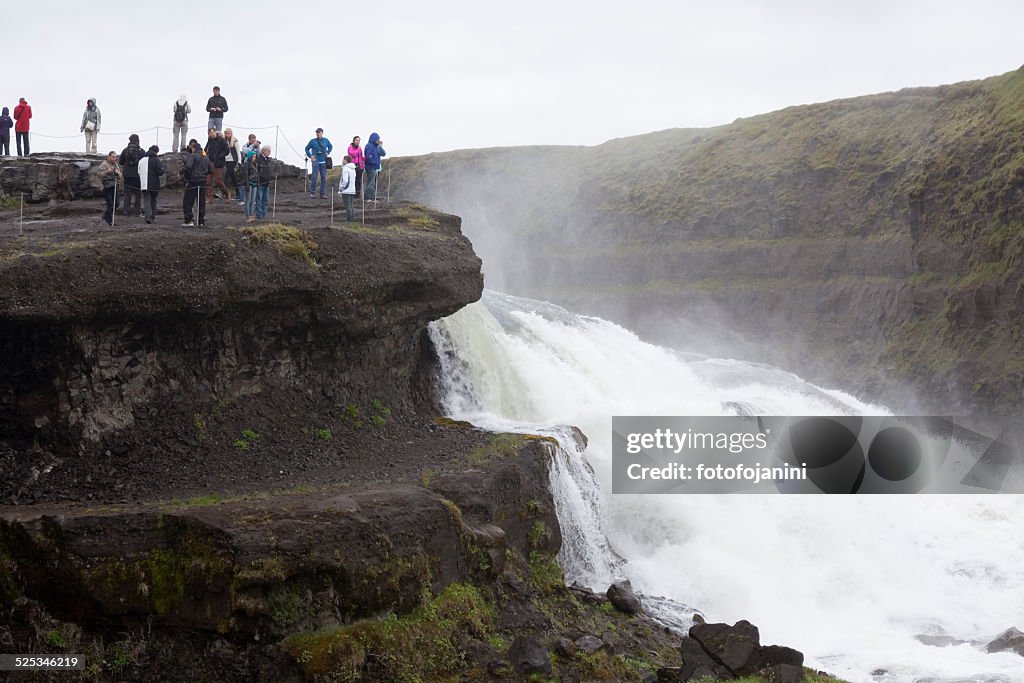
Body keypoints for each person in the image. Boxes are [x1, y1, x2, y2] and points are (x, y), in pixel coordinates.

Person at [181, 139, 211, 227]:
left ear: (193, 148)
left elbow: (188, 166)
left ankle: (188, 220)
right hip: (203, 181)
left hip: (193, 181)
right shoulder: (206, 158)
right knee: (201, 202)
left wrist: (180, 172)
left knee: (187, 201)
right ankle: (201, 221)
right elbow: (211, 170)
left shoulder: (192, 156)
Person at [137, 145, 165, 225]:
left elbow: (138, 172)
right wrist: (163, 170)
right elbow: (159, 172)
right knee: (153, 201)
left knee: (147, 200)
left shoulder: (141, 160)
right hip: (154, 184)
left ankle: (147, 217)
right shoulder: (156, 160)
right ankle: (152, 217)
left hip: (144, 184)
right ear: (156, 152)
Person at [119, 134, 144, 216]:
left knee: (127, 194)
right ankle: (137, 211)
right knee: (138, 194)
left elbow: (120, 162)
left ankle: (126, 211)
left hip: (127, 175)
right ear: (137, 140)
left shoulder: (125, 150)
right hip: (137, 175)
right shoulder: (141, 151)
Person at [304, 128, 333, 199]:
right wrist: (310, 156)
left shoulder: (326, 140)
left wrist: (327, 152)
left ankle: (322, 194)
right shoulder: (313, 141)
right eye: (317, 132)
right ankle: (312, 192)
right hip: (315, 161)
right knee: (314, 177)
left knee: (324, 178)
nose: (317, 133)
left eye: (319, 132)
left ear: (322, 133)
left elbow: (330, 146)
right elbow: (306, 148)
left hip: (323, 161)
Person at [204, 128, 230, 201]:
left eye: (211, 133)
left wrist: (220, 156)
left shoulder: (221, 140)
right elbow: (206, 149)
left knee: (218, 180)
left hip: (218, 163)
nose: (210, 135)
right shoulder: (209, 141)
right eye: (209, 133)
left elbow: (227, 150)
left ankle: (226, 193)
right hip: (210, 162)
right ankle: (210, 198)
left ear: (215, 132)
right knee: (208, 181)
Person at [97, 151, 122, 226]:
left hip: (115, 186)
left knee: (116, 203)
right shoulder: (104, 164)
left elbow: (120, 175)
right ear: (109, 157)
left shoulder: (116, 165)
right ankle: (110, 221)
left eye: (115, 157)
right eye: (113, 157)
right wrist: (107, 172)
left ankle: (106, 216)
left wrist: (118, 173)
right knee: (110, 204)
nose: (115, 159)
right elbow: (99, 174)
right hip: (107, 186)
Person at [239, 133, 260, 206]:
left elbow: (258, 154)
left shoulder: (256, 147)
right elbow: (246, 152)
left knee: (253, 182)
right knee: (244, 182)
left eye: (255, 140)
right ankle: (241, 199)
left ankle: (252, 200)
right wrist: (252, 146)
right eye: (253, 140)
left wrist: (258, 147)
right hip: (246, 164)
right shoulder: (245, 146)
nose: (254, 142)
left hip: (254, 165)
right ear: (249, 140)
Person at [363, 132, 386, 201]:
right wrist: (374, 163)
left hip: (376, 167)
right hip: (370, 167)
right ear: (373, 139)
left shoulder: (377, 146)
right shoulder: (369, 146)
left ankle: (372, 196)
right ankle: (367, 197)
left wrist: (380, 146)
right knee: (371, 182)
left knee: (374, 183)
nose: (378, 140)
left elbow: (383, 154)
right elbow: (368, 157)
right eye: (377, 139)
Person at [223, 128, 242, 204]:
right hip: (226, 160)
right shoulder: (224, 141)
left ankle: (225, 193)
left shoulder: (235, 141)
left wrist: (239, 161)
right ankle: (238, 193)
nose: (227, 135)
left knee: (226, 176)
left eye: (229, 133)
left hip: (233, 160)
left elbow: (238, 151)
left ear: (231, 133)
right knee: (233, 177)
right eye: (226, 133)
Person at [242, 146, 259, 222]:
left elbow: (257, 174)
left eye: (255, 156)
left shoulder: (255, 164)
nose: (254, 158)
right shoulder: (246, 164)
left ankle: (252, 215)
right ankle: (248, 216)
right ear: (250, 156)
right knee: (248, 201)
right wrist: (247, 184)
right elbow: (245, 175)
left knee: (253, 201)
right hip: (249, 184)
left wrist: (258, 183)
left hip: (255, 184)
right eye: (253, 156)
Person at [255, 145, 273, 219]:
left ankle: (264, 214)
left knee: (265, 200)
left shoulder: (268, 160)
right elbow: (257, 171)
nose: (269, 152)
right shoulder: (259, 159)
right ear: (263, 151)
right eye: (268, 151)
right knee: (259, 200)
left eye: (269, 151)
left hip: (267, 183)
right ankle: (259, 215)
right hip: (260, 183)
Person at [338, 155, 356, 222]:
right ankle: (351, 220)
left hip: (346, 190)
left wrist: (341, 189)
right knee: (351, 205)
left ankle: (349, 221)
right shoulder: (353, 169)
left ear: (345, 160)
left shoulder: (345, 168)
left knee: (348, 206)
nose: (342, 160)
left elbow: (345, 180)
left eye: (343, 159)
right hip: (352, 190)